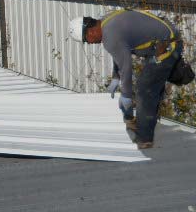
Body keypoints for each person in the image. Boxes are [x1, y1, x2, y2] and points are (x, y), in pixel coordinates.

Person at [68, 9, 182, 149]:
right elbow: (122, 51)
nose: (90, 44)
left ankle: (144, 140)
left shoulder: (109, 36)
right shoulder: (106, 22)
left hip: (168, 46)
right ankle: (141, 121)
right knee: (150, 85)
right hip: (160, 45)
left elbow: (126, 68)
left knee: (144, 88)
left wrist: (126, 96)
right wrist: (116, 78)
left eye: (87, 41)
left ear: (90, 32)